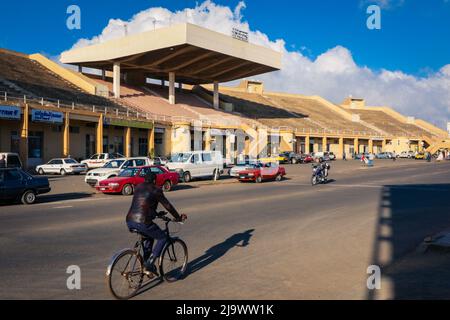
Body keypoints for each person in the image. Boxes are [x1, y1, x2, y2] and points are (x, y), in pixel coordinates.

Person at [126, 171, 187, 275]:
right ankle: (149, 263)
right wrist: (178, 217)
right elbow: (168, 205)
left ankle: (145, 264)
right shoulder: (156, 189)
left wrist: (156, 214)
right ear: (154, 180)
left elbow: (143, 205)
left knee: (149, 237)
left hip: (130, 220)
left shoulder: (139, 187)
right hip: (143, 222)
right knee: (163, 237)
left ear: (145, 179)